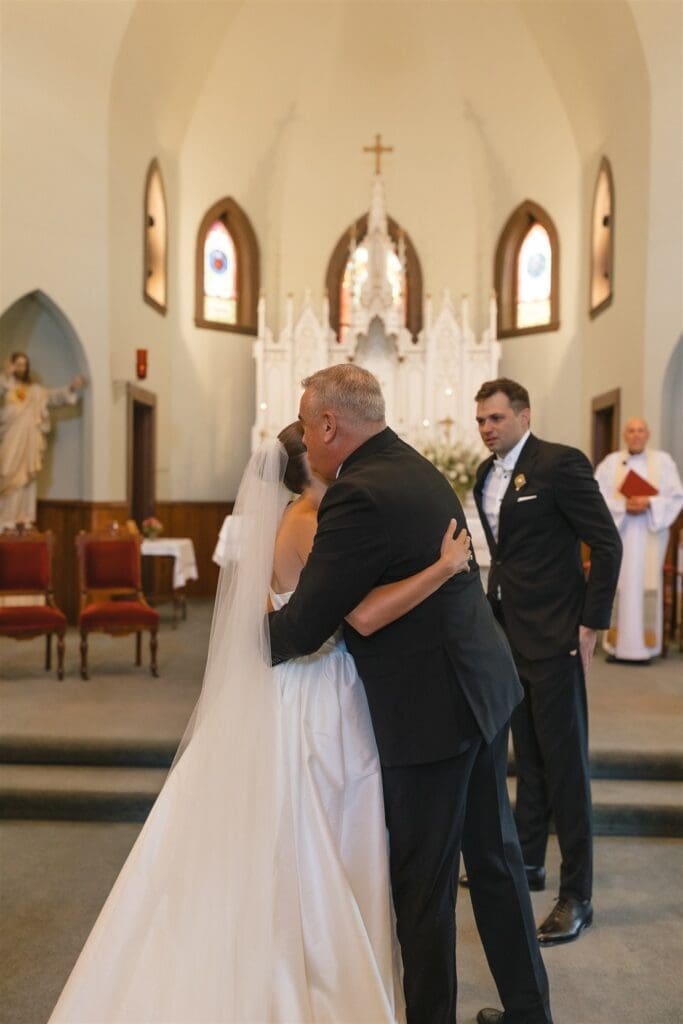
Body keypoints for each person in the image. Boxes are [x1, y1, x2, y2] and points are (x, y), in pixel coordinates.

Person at [48, 422, 472, 1024]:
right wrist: (442, 567)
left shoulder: (297, 517)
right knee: (321, 825)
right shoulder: (312, 524)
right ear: (317, 467)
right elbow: (362, 615)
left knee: (301, 824)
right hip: (316, 689)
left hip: (299, 681)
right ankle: (314, 977)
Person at [269, 365, 553, 1024]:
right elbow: (362, 606)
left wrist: (245, 646)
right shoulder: (413, 466)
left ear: (330, 425)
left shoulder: (354, 493)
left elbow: (307, 625)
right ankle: (530, 1011)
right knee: (493, 860)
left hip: (431, 711)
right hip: (479, 685)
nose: (307, 444)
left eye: (309, 428)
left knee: (421, 890)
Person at [471, 377, 622, 949]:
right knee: (526, 756)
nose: (487, 428)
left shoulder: (559, 464)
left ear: (524, 414)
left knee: (566, 768)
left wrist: (590, 625)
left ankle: (577, 895)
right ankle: (529, 861)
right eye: (481, 419)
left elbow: (606, 543)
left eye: (496, 418)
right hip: (509, 636)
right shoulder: (485, 476)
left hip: (557, 637)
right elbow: (506, 557)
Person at [595, 417, 683, 662]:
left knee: (647, 584)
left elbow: (677, 497)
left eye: (640, 431)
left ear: (648, 434)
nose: (635, 435)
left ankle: (646, 647)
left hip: (650, 532)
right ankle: (616, 646)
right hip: (620, 532)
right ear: (625, 435)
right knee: (619, 584)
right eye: (631, 431)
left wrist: (649, 503)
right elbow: (596, 496)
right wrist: (623, 506)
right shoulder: (611, 463)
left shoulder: (663, 462)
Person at [0, 351, 85, 526]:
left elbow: (53, 397)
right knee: (7, 472)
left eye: (24, 364)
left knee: (26, 478)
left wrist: (71, 387)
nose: (21, 368)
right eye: (18, 364)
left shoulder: (35, 392)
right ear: (11, 366)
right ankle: (5, 517)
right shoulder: (5, 387)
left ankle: (22, 517)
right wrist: (4, 377)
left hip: (29, 440)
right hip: (10, 438)